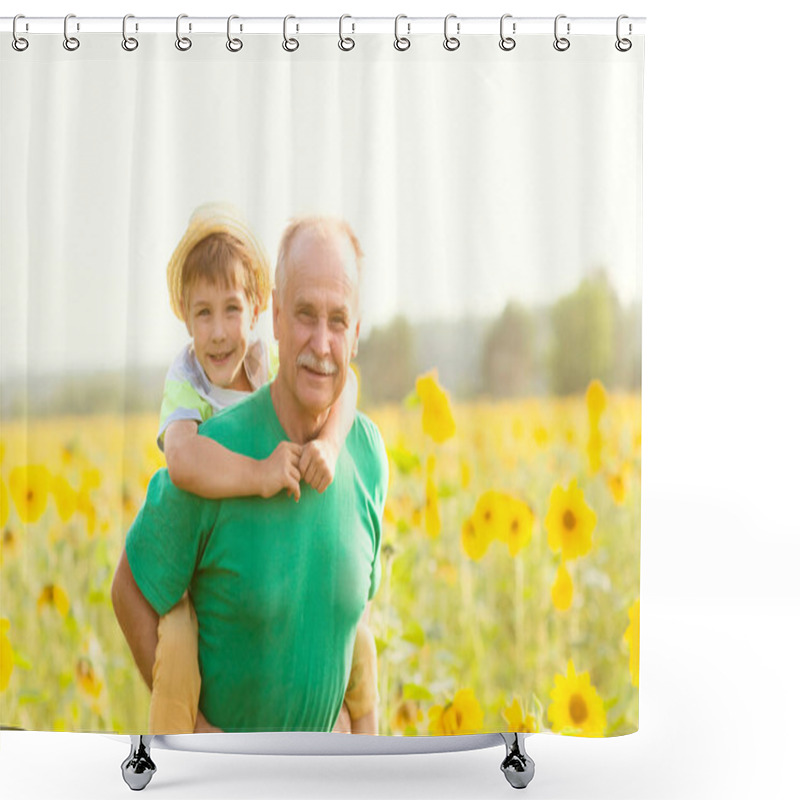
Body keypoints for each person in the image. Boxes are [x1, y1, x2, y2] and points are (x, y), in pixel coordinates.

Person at [114, 208, 382, 734]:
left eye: (338, 321)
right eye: (305, 314)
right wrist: (195, 731)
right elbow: (130, 591)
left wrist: (356, 744)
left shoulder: (367, 453)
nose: (322, 345)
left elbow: (349, 619)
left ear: (356, 334)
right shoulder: (209, 457)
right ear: (277, 316)